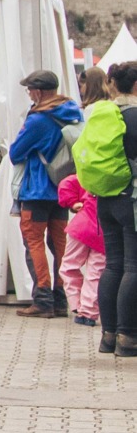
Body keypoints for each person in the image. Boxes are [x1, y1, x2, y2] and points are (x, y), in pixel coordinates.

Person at [8, 70, 83, 319]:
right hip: (63, 188)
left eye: (30, 89)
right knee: (60, 245)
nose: (29, 94)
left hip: (37, 188)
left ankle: (42, 300)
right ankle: (62, 299)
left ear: (38, 92)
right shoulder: (72, 113)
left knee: (34, 242)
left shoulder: (38, 119)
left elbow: (16, 153)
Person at [95, 60, 137, 356]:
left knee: (112, 265)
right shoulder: (134, 115)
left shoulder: (104, 114)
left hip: (105, 197)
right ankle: (128, 337)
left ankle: (108, 335)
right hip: (132, 199)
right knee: (133, 267)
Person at [56, 167, 105, 328]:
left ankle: (77, 305)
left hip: (82, 226)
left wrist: (72, 202)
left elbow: (66, 183)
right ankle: (88, 312)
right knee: (95, 272)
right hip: (105, 230)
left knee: (68, 267)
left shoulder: (90, 171)